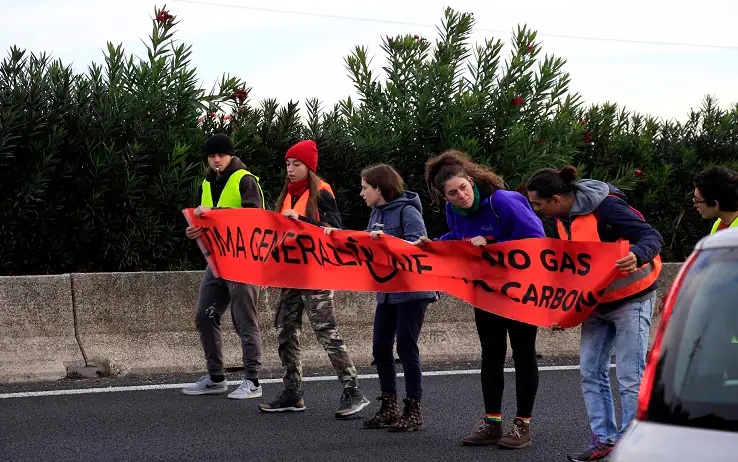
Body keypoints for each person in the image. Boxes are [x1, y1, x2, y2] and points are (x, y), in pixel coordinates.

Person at [525, 165, 663, 462]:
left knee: (630, 377)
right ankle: (605, 440)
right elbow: (568, 268)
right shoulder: (561, 218)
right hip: (595, 306)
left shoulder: (607, 209)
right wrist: (561, 311)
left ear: (557, 199)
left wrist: (638, 254)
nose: (535, 209)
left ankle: (633, 447)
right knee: (590, 371)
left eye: (538, 203)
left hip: (632, 300)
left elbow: (651, 235)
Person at [414, 149, 545, 449]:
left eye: (463, 187)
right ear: (444, 198)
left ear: (471, 180)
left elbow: (537, 240)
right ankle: (493, 423)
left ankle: (522, 426)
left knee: (524, 355)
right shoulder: (453, 212)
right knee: (492, 356)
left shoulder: (503, 201)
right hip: (486, 292)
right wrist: (434, 245)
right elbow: (458, 240)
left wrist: (492, 243)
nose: (460, 196)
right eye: (452, 194)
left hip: (521, 292)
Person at [258, 139, 370, 418]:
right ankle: (293, 393)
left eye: (297, 164)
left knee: (327, 333)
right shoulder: (287, 194)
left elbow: (335, 230)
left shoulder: (321, 193)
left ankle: (353, 391)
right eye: (288, 164)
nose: (291, 169)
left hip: (316, 275)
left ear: (309, 167)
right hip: (289, 275)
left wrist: (301, 221)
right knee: (285, 333)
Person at [332, 164, 438, 432]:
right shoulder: (376, 213)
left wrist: (385, 241)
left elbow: (418, 247)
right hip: (388, 293)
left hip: (413, 291)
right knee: (380, 348)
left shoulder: (408, 211)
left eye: (365, 187)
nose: (361, 193)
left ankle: (414, 409)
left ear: (379, 188)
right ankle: (389, 405)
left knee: (406, 347)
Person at [182, 133, 266, 400]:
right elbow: (204, 221)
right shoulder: (206, 183)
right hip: (216, 261)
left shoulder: (245, 180)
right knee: (204, 315)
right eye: (211, 156)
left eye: (221, 155)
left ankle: (253, 380)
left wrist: (215, 215)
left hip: (244, 262)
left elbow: (256, 220)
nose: (216, 160)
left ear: (231, 155)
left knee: (244, 321)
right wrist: (194, 231)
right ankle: (216, 377)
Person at [693, 166, 738, 234]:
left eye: (697, 200)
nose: (695, 205)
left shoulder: (733, 233)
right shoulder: (720, 224)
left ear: (715, 204)